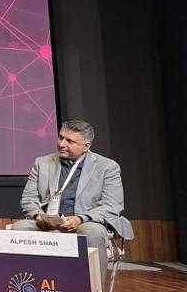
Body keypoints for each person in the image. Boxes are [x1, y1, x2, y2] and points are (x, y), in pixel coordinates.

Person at [10, 119, 132, 278]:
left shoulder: (107, 167)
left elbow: (112, 205)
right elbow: (28, 198)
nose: (62, 143)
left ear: (86, 146)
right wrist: (38, 216)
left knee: (93, 232)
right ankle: (30, 291)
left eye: (70, 141)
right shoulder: (42, 163)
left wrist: (80, 219)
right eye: (61, 137)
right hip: (48, 221)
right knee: (20, 228)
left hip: (86, 222)